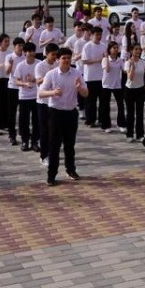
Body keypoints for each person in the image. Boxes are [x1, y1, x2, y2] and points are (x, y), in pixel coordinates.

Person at [39, 47, 88, 185]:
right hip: (55, 112)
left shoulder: (76, 73)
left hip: (71, 112)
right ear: (58, 59)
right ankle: (51, 175)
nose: (66, 60)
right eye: (63, 58)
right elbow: (41, 93)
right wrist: (53, 92)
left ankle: (71, 170)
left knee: (70, 144)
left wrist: (79, 88)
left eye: (68, 58)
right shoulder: (52, 74)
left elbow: (86, 93)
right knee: (54, 145)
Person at [14, 44, 40, 152]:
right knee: (23, 120)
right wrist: (24, 84)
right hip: (24, 96)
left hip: (36, 96)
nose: (31, 53)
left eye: (32, 51)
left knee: (36, 120)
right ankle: (25, 141)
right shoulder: (20, 65)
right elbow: (16, 81)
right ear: (25, 53)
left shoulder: (39, 64)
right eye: (28, 51)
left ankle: (35, 141)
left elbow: (42, 78)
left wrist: (34, 80)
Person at [100, 41, 125, 134]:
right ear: (109, 49)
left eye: (117, 47)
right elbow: (107, 69)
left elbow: (124, 70)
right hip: (106, 85)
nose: (115, 49)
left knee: (121, 105)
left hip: (117, 84)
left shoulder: (120, 60)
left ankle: (121, 124)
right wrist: (106, 58)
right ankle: (106, 125)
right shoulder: (105, 59)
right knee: (105, 106)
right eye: (113, 48)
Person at [124, 45, 145, 143]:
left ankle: (140, 134)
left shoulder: (143, 63)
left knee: (140, 112)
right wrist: (132, 66)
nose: (138, 51)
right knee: (130, 113)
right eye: (136, 49)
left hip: (140, 89)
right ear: (131, 51)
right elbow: (130, 78)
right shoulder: (127, 63)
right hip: (130, 89)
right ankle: (129, 134)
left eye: (139, 49)